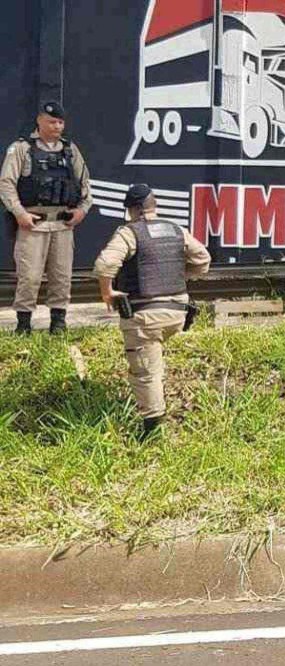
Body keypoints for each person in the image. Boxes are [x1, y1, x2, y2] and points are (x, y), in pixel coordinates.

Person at [93, 184, 211, 439]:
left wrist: (107, 292)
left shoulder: (129, 232)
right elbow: (203, 261)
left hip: (146, 315)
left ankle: (152, 432)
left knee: (146, 372)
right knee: (153, 360)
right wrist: (178, 276)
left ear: (133, 210)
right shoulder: (176, 229)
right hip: (178, 312)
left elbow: (105, 265)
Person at [0, 101, 92, 336]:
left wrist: (82, 210)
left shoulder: (70, 150)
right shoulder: (21, 149)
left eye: (60, 122)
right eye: (52, 121)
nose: (57, 126)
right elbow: (6, 184)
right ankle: (23, 325)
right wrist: (19, 213)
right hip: (34, 224)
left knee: (61, 277)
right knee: (29, 278)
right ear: (39, 121)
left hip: (62, 224)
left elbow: (85, 185)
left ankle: (58, 323)